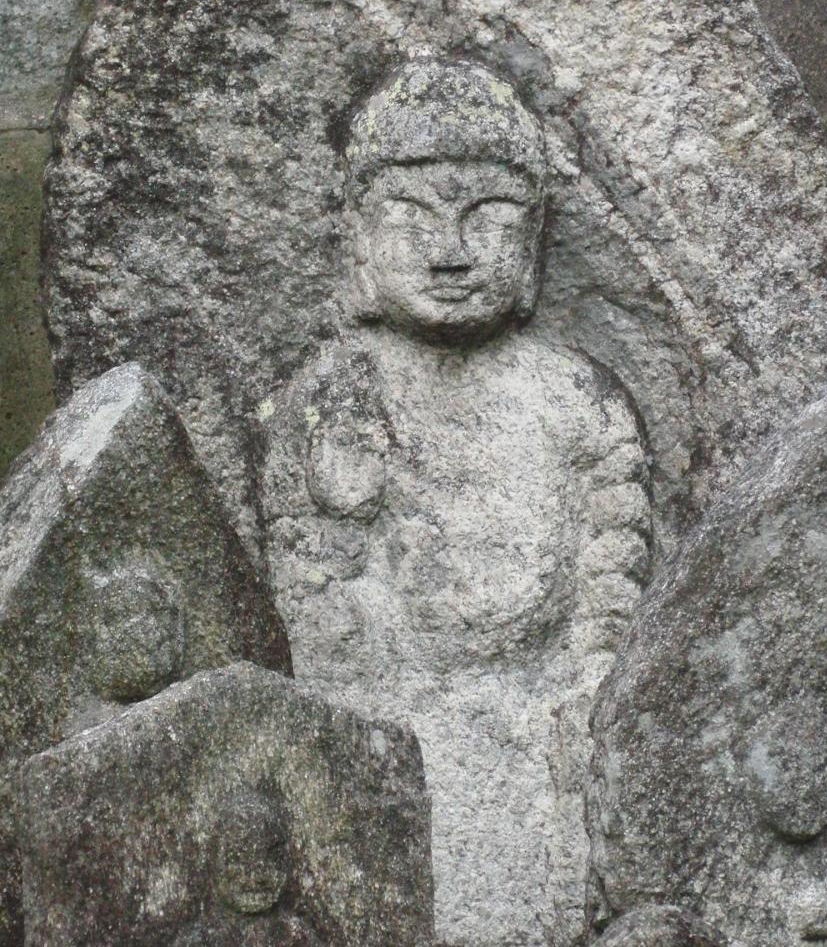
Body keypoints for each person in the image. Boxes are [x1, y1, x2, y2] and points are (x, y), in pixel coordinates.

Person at [259, 59, 651, 947]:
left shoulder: (577, 403)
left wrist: (573, 716)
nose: (450, 252)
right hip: (387, 734)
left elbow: (606, 616)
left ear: (534, 243)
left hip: (545, 746)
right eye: (412, 216)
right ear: (360, 237)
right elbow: (321, 626)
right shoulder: (335, 397)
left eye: (488, 218)